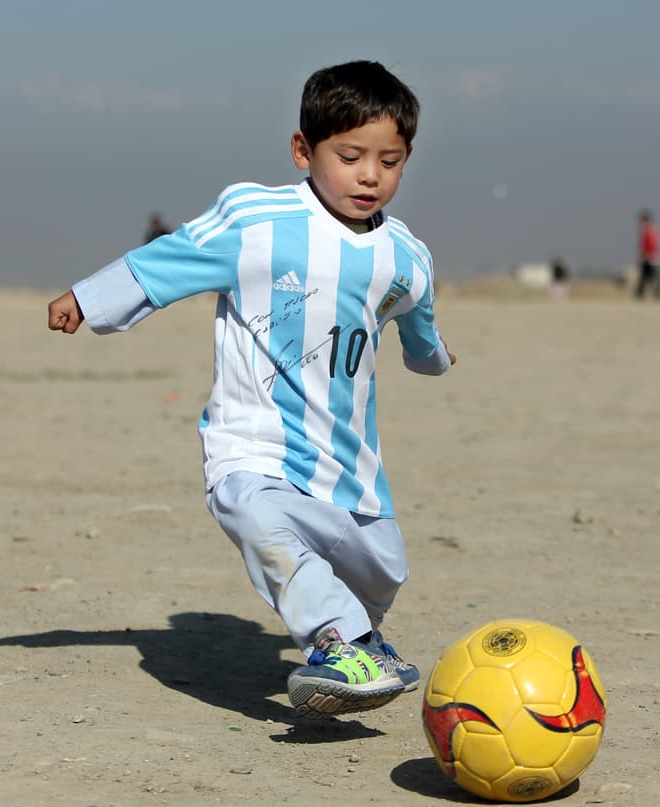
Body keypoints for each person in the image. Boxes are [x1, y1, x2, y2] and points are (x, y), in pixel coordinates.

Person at [46, 61, 455, 720]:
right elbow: (170, 258)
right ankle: (341, 641)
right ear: (304, 150)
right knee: (259, 521)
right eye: (349, 156)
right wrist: (88, 298)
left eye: (390, 160)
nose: (370, 175)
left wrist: (432, 357)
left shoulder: (406, 256)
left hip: (350, 465)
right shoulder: (256, 219)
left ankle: (362, 634)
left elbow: (420, 324)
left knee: (384, 571)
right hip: (251, 446)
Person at [633, 210, 660, 299]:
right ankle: (642, 294)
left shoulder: (650, 231)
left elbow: (653, 245)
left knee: (652, 277)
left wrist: (644, 254)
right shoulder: (648, 231)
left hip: (651, 258)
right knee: (646, 277)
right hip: (649, 258)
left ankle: (657, 294)